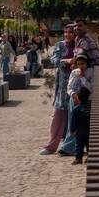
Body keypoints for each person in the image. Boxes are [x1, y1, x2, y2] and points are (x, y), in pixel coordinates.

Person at [41, 26, 77, 154]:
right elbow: (54, 60)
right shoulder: (60, 45)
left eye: (71, 32)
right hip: (62, 85)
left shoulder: (79, 45)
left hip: (76, 85)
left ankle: (69, 147)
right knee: (58, 115)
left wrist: (77, 63)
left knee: (74, 115)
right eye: (66, 32)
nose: (68, 34)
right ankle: (51, 145)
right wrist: (66, 61)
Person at [57, 53, 92, 161]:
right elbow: (69, 87)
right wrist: (73, 94)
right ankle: (69, 147)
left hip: (86, 101)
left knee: (84, 126)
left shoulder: (90, 73)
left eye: (83, 64)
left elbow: (90, 88)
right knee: (73, 123)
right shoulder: (74, 72)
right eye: (79, 64)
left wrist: (83, 78)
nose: (81, 66)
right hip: (74, 100)